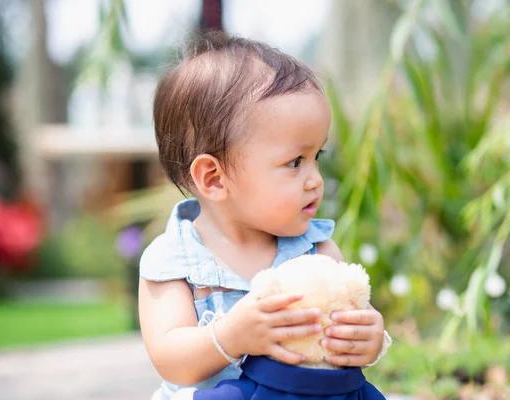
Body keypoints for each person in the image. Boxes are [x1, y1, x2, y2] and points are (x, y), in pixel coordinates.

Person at [139, 31, 391, 400]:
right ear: (214, 178)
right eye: (294, 162)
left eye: (316, 157)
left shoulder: (315, 249)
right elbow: (171, 360)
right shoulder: (173, 261)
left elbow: (355, 315)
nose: (315, 180)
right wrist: (232, 335)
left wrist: (371, 338)